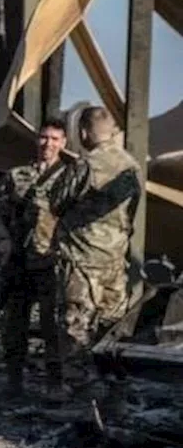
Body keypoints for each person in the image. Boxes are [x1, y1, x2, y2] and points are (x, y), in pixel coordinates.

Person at [0, 118, 83, 399]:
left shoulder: (71, 177)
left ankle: (54, 383)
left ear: (64, 143)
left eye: (54, 139)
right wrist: (4, 242)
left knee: (53, 325)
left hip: (51, 262)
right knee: (14, 323)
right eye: (43, 138)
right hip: (18, 260)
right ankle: (13, 381)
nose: (47, 144)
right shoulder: (17, 175)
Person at [55, 106, 142, 407]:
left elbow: (57, 201)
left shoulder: (86, 165)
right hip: (115, 261)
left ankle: (80, 397)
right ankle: (113, 393)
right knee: (111, 328)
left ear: (82, 133)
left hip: (81, 260)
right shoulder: (131, 165)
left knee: (76, 326)